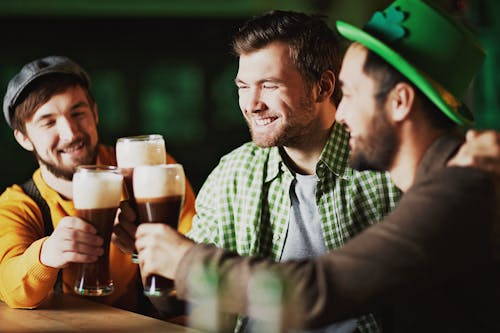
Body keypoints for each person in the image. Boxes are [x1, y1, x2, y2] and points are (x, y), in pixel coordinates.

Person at [135, 0, 500, 332]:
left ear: (400, 102)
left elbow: (312, 292)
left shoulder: (454, 193)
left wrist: (185, 260)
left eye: (351, 93)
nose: (341, 112)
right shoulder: (455, 177)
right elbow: (187, 306)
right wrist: (157, 264)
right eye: (243, 86)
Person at [0, 55, 196, 316]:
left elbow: (200, 253)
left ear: (95, 113)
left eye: (78, 113)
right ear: (24, 138)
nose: (70, 133)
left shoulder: (147, 169)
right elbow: (9, 286)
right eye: (48, 122)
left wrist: (158, 248)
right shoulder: (20, 203)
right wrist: (46, 255)